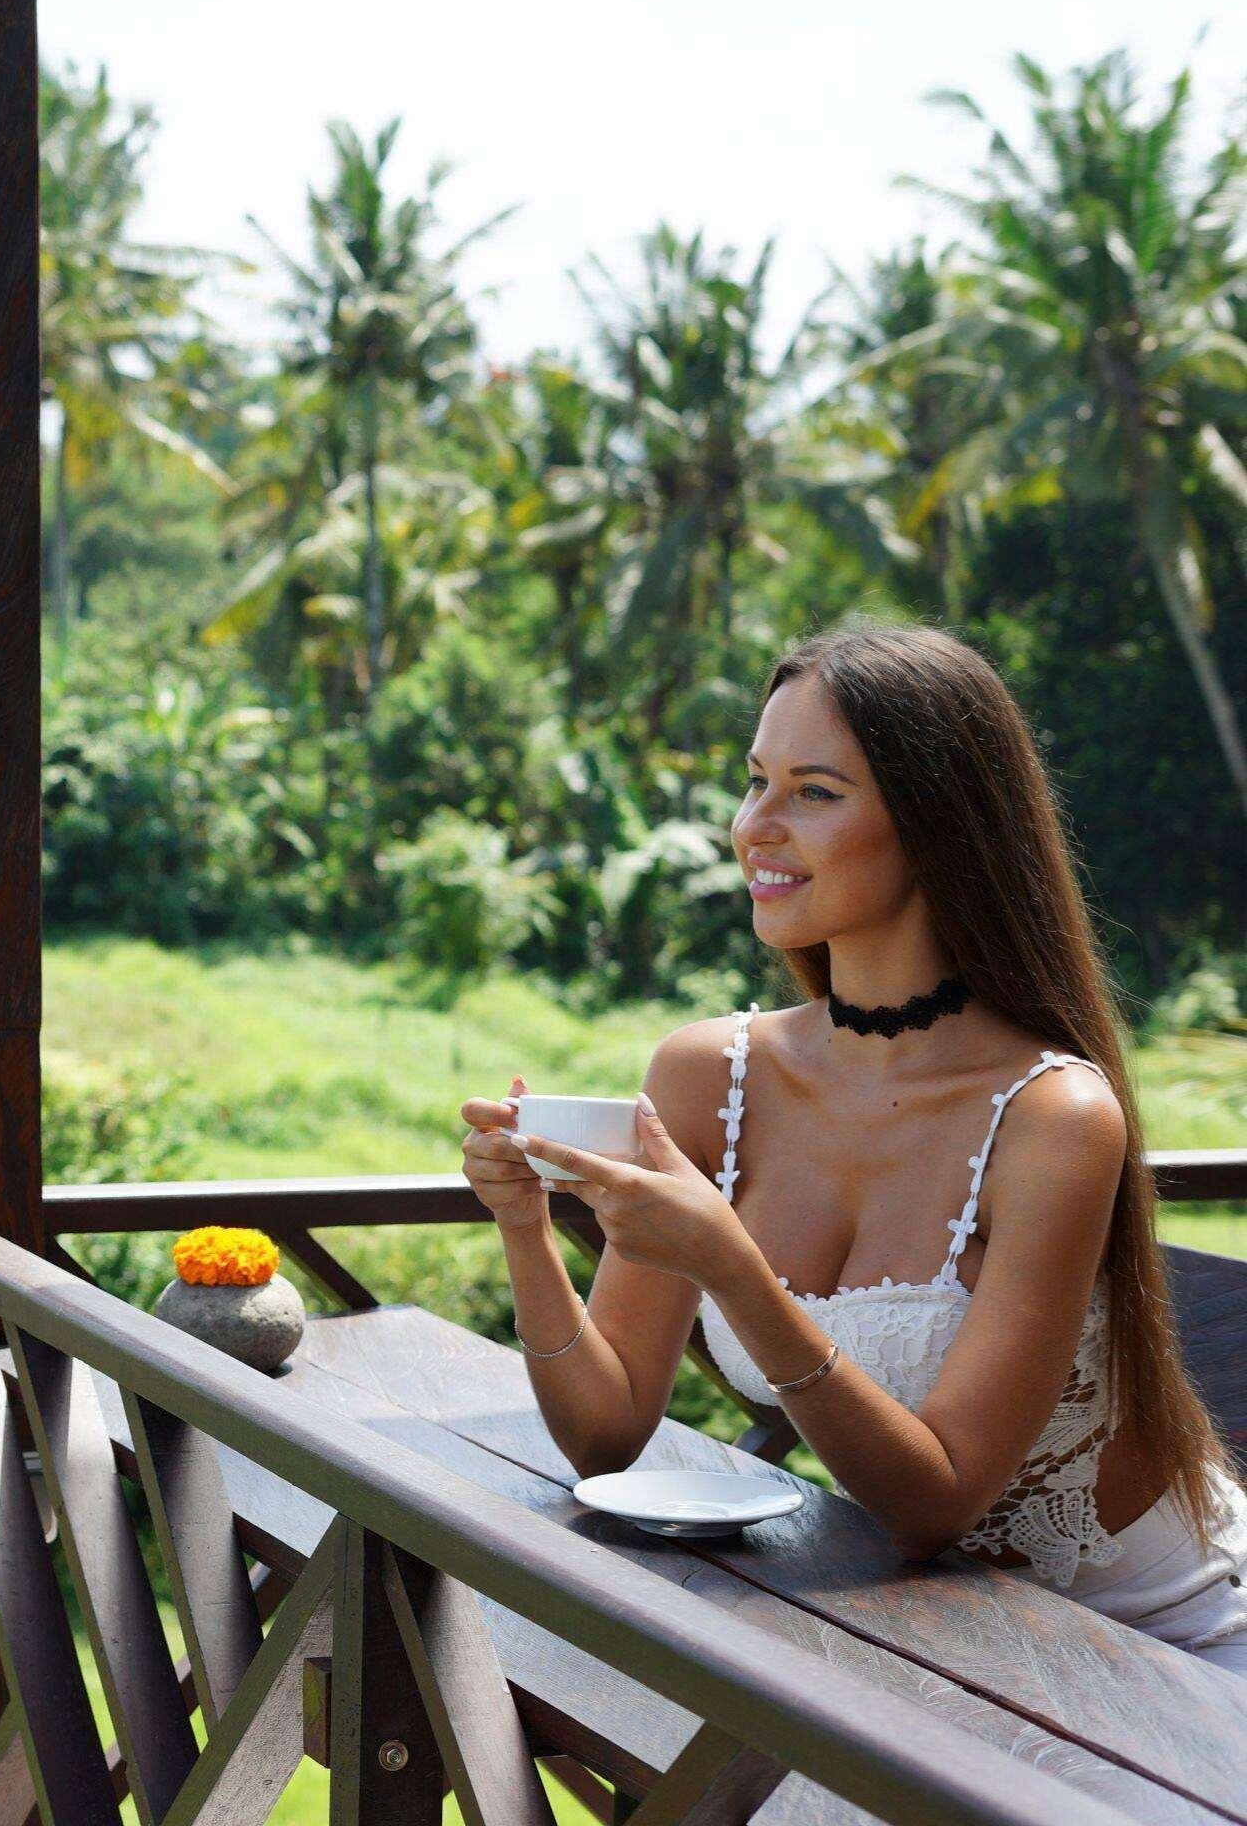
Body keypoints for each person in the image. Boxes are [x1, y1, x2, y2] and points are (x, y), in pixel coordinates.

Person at [458, 623, 1247, 1669]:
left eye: (814, 792)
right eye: (755, 782)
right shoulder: (706, 1074)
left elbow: (935, 1502)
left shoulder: (1055, 1116)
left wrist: (730, 1266)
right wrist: (525, 1227)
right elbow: (605, 1433)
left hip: (1161, 1653)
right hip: (923, 1634)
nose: (755, 827)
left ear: (937, 824)